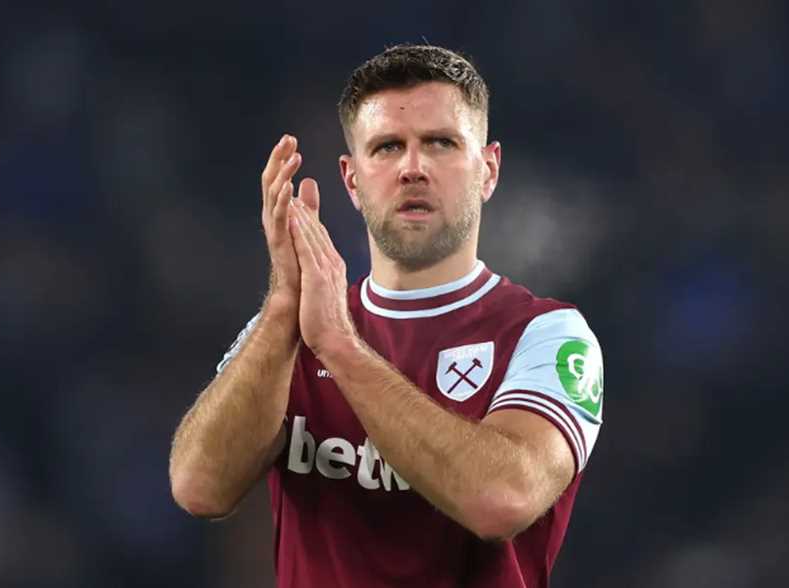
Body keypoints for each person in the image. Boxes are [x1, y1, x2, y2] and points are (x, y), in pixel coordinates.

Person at [169, 44, 604, 587]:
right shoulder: (287, 330)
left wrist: (340, 348)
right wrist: (281, 310)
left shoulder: (547, 336)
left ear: (488, 170)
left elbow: (500, 500)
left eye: (440, 143)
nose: (412, 169)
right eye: (387, 147)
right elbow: (199, 487)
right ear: (352, 180)